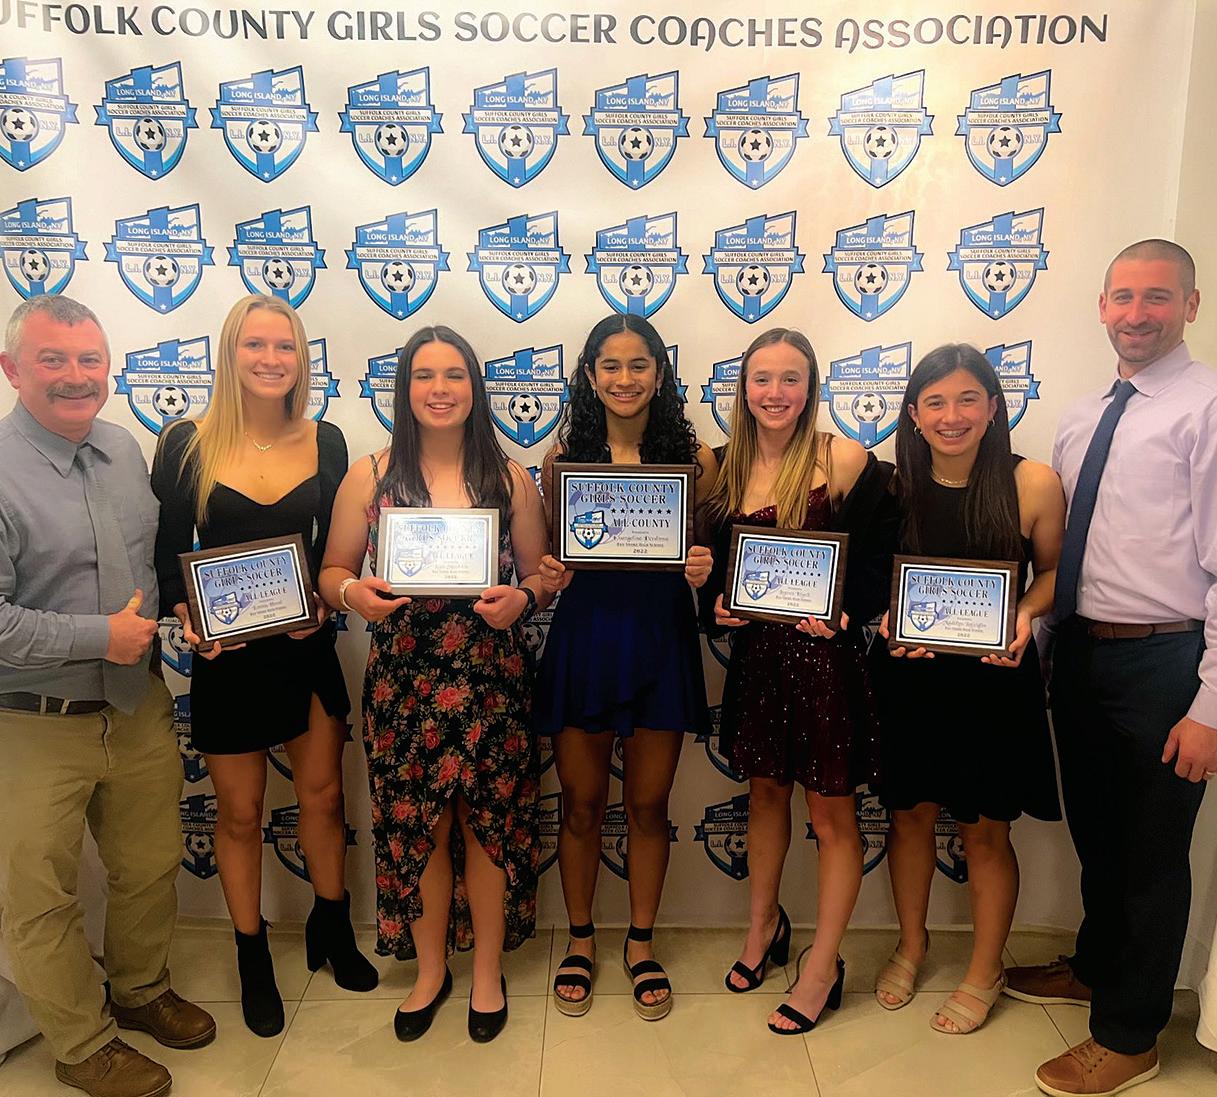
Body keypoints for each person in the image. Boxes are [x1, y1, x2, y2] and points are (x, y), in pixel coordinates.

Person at [1005, 240, 1217, 1097]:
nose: (1136, 314)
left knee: (1151, 853)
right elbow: (1065, 554)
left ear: (1190, 305)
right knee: (1098, 837)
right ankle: (1096, 967)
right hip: (1084, 653)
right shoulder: (1083, 415)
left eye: (1156, 297)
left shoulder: (1207, 407)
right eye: (1122, 297)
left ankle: (1130, 1034)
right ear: (1100, 306)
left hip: (1167, 659)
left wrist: (1209, 704)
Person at [0, 295, 214, 1097]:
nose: (75, 375)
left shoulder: (124, 448)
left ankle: (140, 988)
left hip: (134, 704)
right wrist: (101, 636)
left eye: (89, 359)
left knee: (149, 864)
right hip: (31, 720)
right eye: (52, 359)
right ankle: (82, 1043)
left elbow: (151, 569)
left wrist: (192, 611)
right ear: (12, 368)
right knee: (40, 896)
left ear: (109, 367)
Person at [152, 295, 376, 1039]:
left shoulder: (327, 439)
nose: (271, 358)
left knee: (323, 799)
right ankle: (251, 954)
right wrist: (188, 618)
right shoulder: (186, 442)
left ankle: (331, 926)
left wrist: (326, 599)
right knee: (241, 814)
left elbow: (337, 553)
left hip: (305, 647)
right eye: (255, 344)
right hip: (230, 659)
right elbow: (166, 557)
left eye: (285, 346)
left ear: (301, 358)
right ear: (231, 352)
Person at [318, 325, 549, 1044]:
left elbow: (542, 574)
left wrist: (525, 599)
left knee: (487, 827)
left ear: (475, 387)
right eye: (424, 375)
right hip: (404, 684)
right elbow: (331, 572)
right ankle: (429, 971)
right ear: (404, 388)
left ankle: (486, 971)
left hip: (491, 680)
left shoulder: (510, 478)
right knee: (417, 827)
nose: (440, 389)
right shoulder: (371, 475)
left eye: (454, 375)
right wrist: (354, 595)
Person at [699, 328, 895, 1035]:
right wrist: (716, 604)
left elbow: (878, 562)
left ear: (811, 387)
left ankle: (823, 965)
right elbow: (708, 568)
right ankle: (763, 928)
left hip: (823, 666)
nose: (775, 392)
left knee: (833, 816)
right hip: (758, 663)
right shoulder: (719, 466)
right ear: (742, 387)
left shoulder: (843, 458)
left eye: (790, 379)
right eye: (762, 378)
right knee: (763, 797)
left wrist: (846, 613)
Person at [871, 345, 1065, 1033]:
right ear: (913, 414)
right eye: (935, 402)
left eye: (966, 399)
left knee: (985, 831)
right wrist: (886, 617)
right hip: (912, 675)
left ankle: (984, 970)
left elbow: (1052, 574)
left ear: (992, 407)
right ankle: (911, 944)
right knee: (909, 817)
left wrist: (1024, 614)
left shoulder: (1031, 481)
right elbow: (874, 582)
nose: (951, 416)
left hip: (993, 682)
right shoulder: (891, 487)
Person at [535, 314, 716, 1022]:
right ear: (588, 376)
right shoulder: (562, 461)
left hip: (659, 638)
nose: (624, 378)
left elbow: (711, 559)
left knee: (647, 806)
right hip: (586, 638)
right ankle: (581, 938)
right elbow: (549, 562)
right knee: (581, 804)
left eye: (639, 364)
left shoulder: (697, 460)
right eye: (609, 365)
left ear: (660, 374)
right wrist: (549, 572)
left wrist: (702, 566)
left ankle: (640, 942)